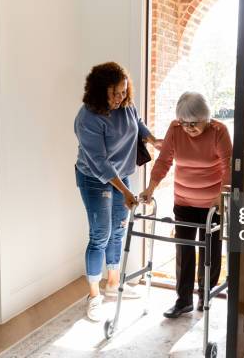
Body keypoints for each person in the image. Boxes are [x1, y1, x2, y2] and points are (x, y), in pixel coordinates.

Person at [74, 62, 161, 322]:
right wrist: (124, 191)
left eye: (123, 92)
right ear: (100, 91)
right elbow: (99, 163)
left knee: (119, 228)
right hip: (94, 178)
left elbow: (138, 123)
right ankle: (93, 295)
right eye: (114, 93)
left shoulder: (126, 105)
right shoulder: (88, 118)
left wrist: (152, 139)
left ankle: (112, 283)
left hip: (121, 174)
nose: (120, 97)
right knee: (100, 234)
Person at [140, 92, 232, 318]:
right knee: (183, 249)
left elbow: (228, 164)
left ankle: (205, 296)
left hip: (212, 205)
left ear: (206, 118)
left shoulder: (218, 131)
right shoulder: (176, 129)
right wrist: (150, 188)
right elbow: (164, 161)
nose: (188, 128)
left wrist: (222, 195)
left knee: (210, 249)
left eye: (194, 123)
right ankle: (183, 300)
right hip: (184, 201)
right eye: (184, 123)